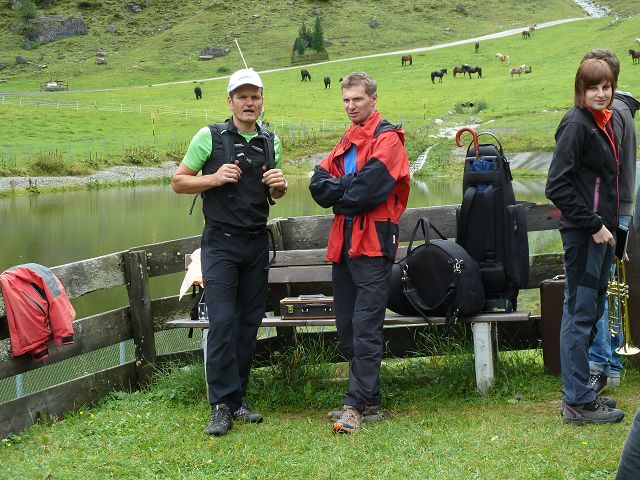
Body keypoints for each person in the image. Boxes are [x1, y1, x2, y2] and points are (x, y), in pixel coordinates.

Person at [172, 68, 287, 436]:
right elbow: (178, 181)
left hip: (256, 243)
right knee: (222, 321)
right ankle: (221, 405)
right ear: (230, 101)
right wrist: (214, 178)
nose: (249, 103)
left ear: (262, 101)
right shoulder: (209, 137)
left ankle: (237, 400)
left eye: (255, 96)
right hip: (220, 243)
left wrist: (280, 186)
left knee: (248, 323)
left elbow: (274, 192)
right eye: (242, 97)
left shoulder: (270, 141)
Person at [309, 72, 410, 433]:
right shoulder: (348, 138)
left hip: (373, 243)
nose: (351, 106)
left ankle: (354, 406)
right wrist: (348, 188)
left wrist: (342, 191)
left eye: (357, 99)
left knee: (366, 326)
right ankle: (371, 401)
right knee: (347, 326)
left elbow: (367, 193)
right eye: (346, 100)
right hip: (344, 242)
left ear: (373, 99)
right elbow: (317, 185)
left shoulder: (389, 140)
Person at [545, 58, 625, 425]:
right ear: (581, 89)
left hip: (600, 234)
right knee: (579, 314)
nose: (601, 93)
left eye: (606, 87)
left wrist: (610, 229)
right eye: (593, 87)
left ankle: (582, 393)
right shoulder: (576, 124)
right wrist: (593, 224)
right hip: (584, 235)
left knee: (590, 312)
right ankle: (577, 401)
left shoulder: (601, 121)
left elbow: (602, 184)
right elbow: (557, 185)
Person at [582, 49, 640, 394]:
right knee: (612, 288)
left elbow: (608, 170)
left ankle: (599, 364)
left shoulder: (612, 114)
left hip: (607, 212)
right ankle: (613, 364)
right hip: (620, 209)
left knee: (599, 289)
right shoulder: (625, 111)